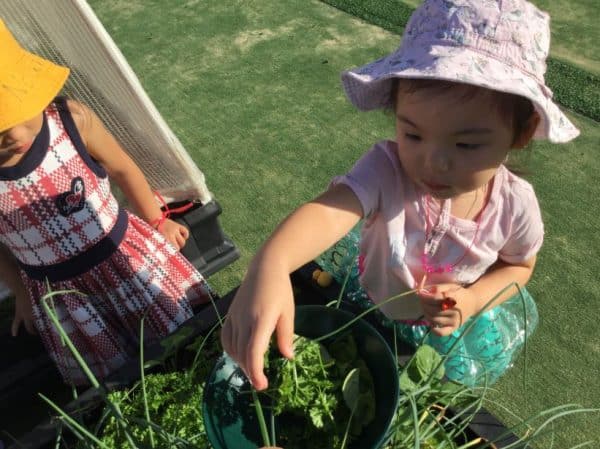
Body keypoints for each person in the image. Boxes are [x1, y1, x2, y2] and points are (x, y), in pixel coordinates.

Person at [222, 0, 580, 390]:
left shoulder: (515, 206)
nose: (434, 162)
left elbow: (519, 266)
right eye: (412, 134)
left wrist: (473, 300)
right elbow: (328, 212)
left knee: (424, 381)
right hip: (380, 290)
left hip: (451, 317)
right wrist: (271, 262)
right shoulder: (387, 170)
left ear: (522, 132)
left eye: (465, 145)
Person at [0, 18, 213, 385]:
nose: (13, 134)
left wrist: (157, 219)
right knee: (118, 377)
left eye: (19, 110)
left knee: (180, 338)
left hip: (124, 258)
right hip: (63, 298)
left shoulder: (71, 120)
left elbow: (123, 168)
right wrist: (20, 293)